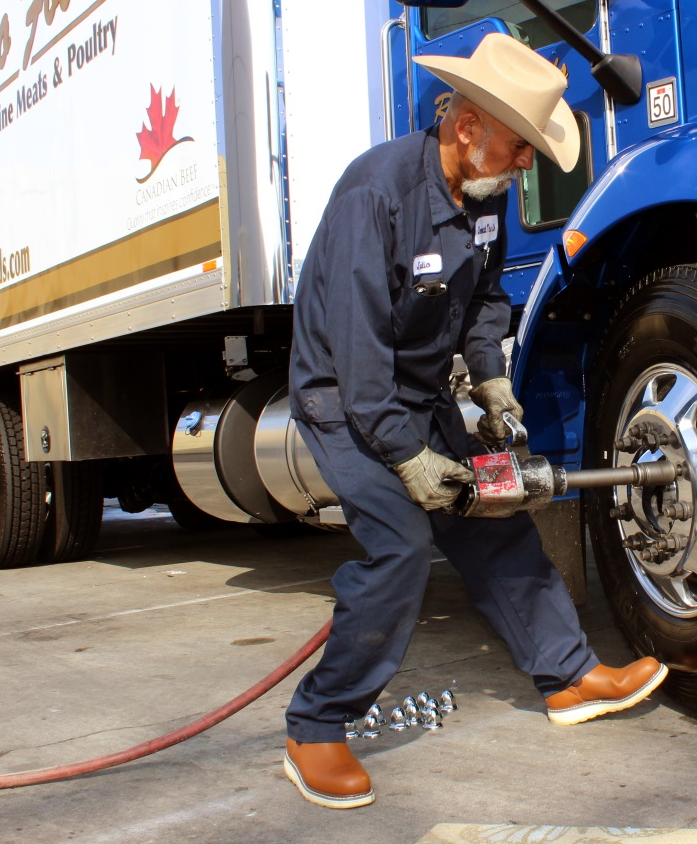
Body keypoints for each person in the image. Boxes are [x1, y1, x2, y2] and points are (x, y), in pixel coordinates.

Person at [281, 33, 667, 810]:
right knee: (401, 544)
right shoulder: (376, 195)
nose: (527, 163)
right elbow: (357, 363)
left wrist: (491, 380)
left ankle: (567, 675)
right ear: (468, 129)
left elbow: (484, 300)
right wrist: (409, 461)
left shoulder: (481, 202)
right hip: (342, 396)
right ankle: (316, 725)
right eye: (521, 145)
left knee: (491, 515)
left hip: (418, 394)